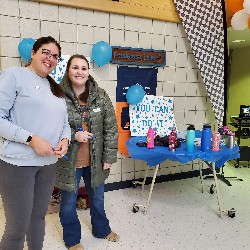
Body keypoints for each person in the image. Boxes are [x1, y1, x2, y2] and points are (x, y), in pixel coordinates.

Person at [0, 36, 71, 250]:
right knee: (17, 227)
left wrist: (65, 139)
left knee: (38, 220)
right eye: (45, 52)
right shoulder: (14, 76)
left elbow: (64, 123)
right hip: (17, 164)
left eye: (55, 56)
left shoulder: (55, 88)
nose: (50, 58)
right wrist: (31, 140)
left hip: (48, 164)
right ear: (33, 53)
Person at [56, 54, 119, 250]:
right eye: (75, 68)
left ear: (88, 72)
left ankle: (101, 230)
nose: (79, 72)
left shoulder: (100, 96)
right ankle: (72, 240)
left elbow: (111, 128)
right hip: (69, 161)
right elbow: (50, 126)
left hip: (95, 160)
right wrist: (74, 135)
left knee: (98, 198)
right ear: (68, 70)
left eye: (83, 68)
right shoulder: (57, 95)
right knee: (67, 203)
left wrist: (108, 157)